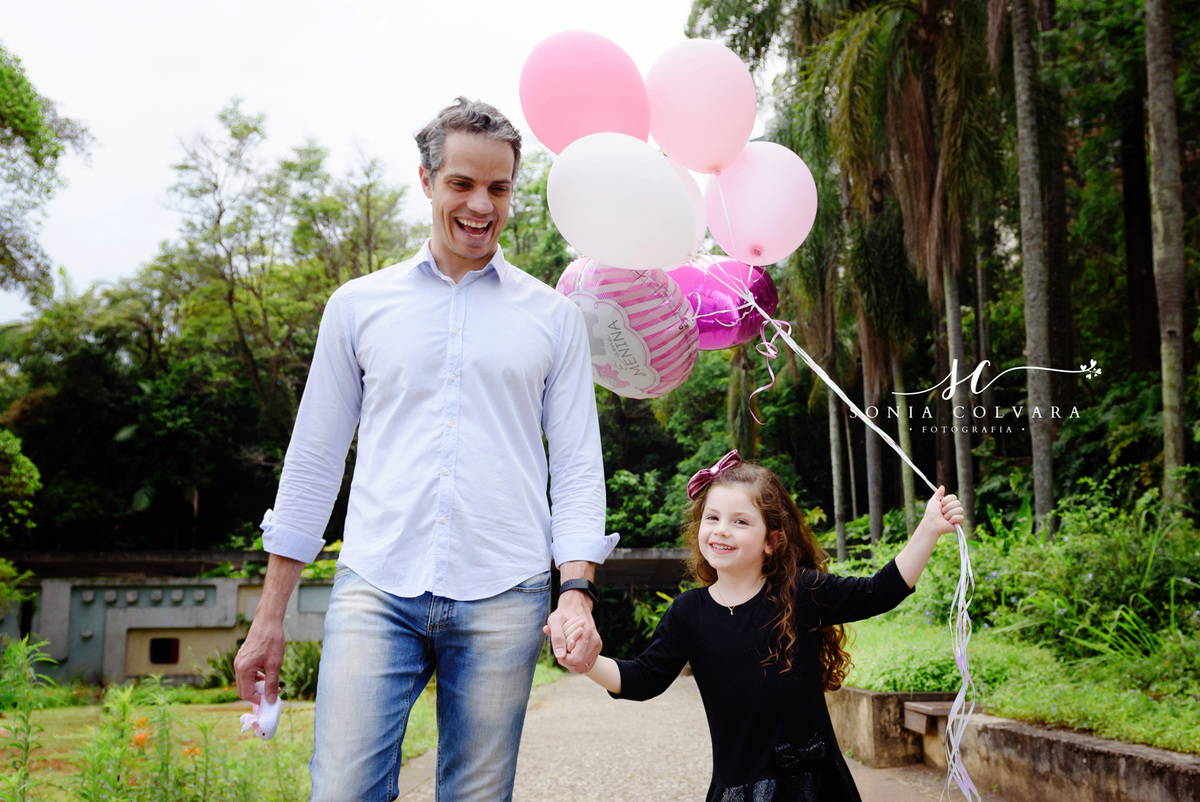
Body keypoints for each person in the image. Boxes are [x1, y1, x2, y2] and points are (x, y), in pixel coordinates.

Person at [233, 97, 616, 802]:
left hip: (506, 591)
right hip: (376, 585)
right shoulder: (357, 306)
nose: (481, 205)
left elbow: (579, 468)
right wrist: (268, 619)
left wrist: (576, 595)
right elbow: (315, 462)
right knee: (343, 791)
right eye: (462, 184)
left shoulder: (554, 319)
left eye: (498, 188)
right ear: (426, 180)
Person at [560, 450, 964, 802]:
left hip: (815, 786)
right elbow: (643, 678)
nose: (721, 529)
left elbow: (880, 591)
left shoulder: (800, 592)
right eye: (713, 517)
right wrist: (587, 662)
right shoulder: (688, 613)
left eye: (740, 522)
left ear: (772, 540)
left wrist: (928, 529)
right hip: (737, 790)